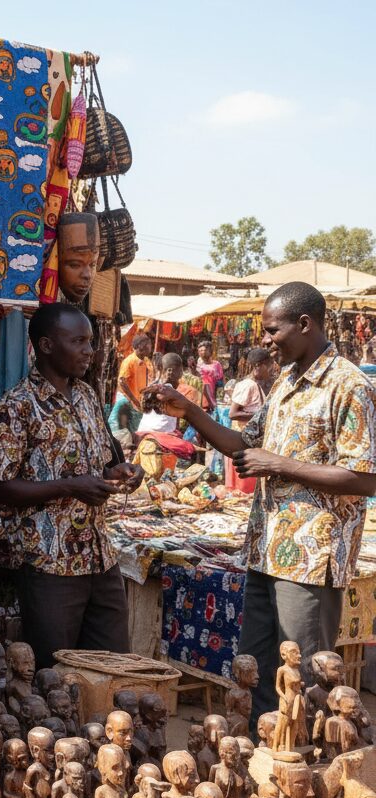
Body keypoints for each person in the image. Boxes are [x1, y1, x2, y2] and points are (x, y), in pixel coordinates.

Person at [145, 282, 376, 724]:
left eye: (273, 330)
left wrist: (279, 465)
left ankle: (302, 772)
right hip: (264, 551)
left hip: (310, 561)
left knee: (303, 679)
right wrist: (189, 410)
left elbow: (364, 477)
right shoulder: (287, 381)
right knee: (256, 674)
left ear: (304, 324)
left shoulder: (348, 385)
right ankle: (258, 768)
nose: (265, 340)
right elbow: (243, 446)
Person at [0, 304, 144, 670]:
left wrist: (122, 471)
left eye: (91, 342)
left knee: (111, 667)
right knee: (55, 674)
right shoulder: (16, 408)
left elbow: (100, 464)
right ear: (46, 345)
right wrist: (69, 487)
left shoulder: (87, 396)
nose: (90, 351)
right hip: (49, 564)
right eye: (79, 342)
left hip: (100, 559)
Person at [224, 348, 276, 494]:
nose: (271, 370)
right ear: (258, 366)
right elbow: (233, 413)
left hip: (247, 439)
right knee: (244, 489)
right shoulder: (249, 385)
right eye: (269, 366)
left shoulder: (255, 385)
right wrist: (259, 414)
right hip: (243, 438)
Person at [111, 332, 154, 432]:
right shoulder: (129, 361)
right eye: (148, 344)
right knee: (122, 432)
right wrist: (134, 400)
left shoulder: (146, 361)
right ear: (140, 346)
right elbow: (122, 381)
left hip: (138, 403)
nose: (150, 347)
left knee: (134, 432)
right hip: (127, 402)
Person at [196, 338, 224, 410]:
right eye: (200, 350)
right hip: (199, 397)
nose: (202, 352)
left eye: (205, 350)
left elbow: (220, 383)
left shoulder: (216, 365)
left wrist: (219, 399)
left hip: (212, 397)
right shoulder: (196, 365)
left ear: (210, 351)